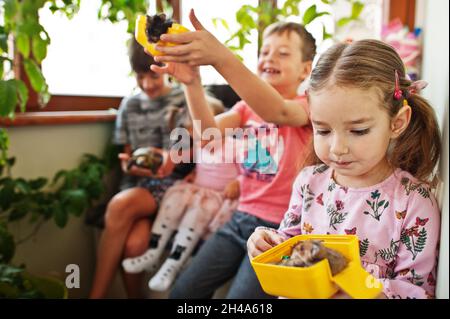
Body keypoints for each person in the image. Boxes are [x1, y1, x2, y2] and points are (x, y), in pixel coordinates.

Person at [247, 39, 442, 299]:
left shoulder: (414, 202)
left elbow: (417, 291)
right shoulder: (309, 181)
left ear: (397, 123)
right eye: (323, 130)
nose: (337, 148)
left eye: (358, 131)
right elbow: (290, 240)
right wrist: (266, 242)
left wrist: (347, 275)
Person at [149, 9, 316, 298]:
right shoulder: (243, 108)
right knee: (182, 293)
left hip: (281, 229)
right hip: (240, 219)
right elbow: (206, 136)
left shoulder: (308, 106)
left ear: (305, 70)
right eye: (264, 51)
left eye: (283, 53)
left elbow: (276, 110)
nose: (269, 58)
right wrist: (192, 83)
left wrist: (222, 57)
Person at [89, 37, 221, 298]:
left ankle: (96, 295)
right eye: (140, 77)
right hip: (139, 188)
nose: (147, 84)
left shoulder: (183, 98)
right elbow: (127, 159)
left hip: (172, 184)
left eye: (153, 76)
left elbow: (201, 148)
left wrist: (168, 157)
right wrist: (132, 166)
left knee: (118, 205)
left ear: (164, 69)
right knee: (135, 244)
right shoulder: (130, 105)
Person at [121, 110, 241, 293]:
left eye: (201, 134)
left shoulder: (236, 146)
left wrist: (237, 183)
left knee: (194, 218)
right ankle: (153, 251)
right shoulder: (201, 146)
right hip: (195, 190)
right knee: (172, 202)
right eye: (195, 137)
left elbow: (248, 171)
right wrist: (189, 171)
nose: (200, 141)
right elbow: (188, 160)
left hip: (215, 196)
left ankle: (172, 265)